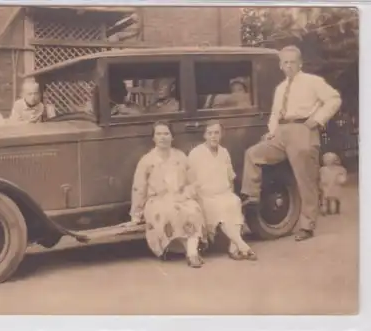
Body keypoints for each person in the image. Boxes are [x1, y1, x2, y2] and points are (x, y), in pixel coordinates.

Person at [240, 45, 342, 241]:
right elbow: (275, 113)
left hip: (303, 129)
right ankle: (251, 197)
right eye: (285, 62)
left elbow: (334, 99)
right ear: (280, 65)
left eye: (292, 62)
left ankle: (307, 226)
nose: (288, 66)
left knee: (305, 180)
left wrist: (317, 119)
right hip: (281, 132)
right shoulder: (280, 88)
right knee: (253, 154)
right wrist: (271, 133)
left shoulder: (313, 82)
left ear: (300, 63)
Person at [129, 121, 208, 268]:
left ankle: (192, 252)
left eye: (166, 134)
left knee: (193, 210)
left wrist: (188, 194)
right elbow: (139, 188)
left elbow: (193, 180)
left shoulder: (180, 157)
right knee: (169, 212)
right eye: (158, 134)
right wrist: (136, 213)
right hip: (157, 200)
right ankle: (191, 252)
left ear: (172, 137)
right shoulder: (147, 161)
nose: (162, 137)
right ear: (153, 138)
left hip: (180, 196)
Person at [188, 120, 257, 261]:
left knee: (234, 202)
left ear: (221, 135)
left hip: (223, 193)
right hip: (206, 196)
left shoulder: (224, 152)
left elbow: (230, 177)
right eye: (210, 133)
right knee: (222, 207)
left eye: (216, 133)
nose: (213, 136)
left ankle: (233, 247)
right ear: (204, 135)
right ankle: (242, 246)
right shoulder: (196, 154)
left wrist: (230, 193)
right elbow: (191, 180)